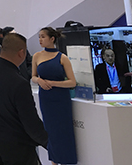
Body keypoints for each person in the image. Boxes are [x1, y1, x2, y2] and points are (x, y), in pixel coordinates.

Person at [0, 33, 48, 165]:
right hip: (18, 146)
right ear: (21, 53)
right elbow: (30, 121)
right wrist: (49, 143)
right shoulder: (19, 82)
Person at [32, 27, 77, 165]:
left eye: (43, 37)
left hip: (61, 98)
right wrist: (39, 80)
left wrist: (52, 83)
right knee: (50, 131)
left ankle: (66, 160)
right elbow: (33, 76)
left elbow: (72, 82)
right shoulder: (37, 56)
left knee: (63, 130)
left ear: (52, 39)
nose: (40, 40)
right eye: (39, 37)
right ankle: (54, 161)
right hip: (46, 98)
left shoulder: (62, 57)